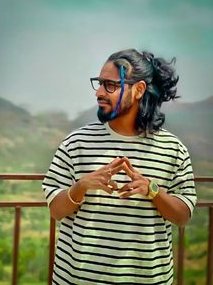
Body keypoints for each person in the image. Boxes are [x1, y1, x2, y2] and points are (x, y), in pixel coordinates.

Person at [42, 48, 197, 284]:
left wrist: (152, 190)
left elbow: (183, 216)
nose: (99, 93)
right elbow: (56, 210)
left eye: (110, 85)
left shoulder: (173, 149)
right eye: (99, 83)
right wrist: (81, 185)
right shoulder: (76, 143)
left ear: (139, 90)